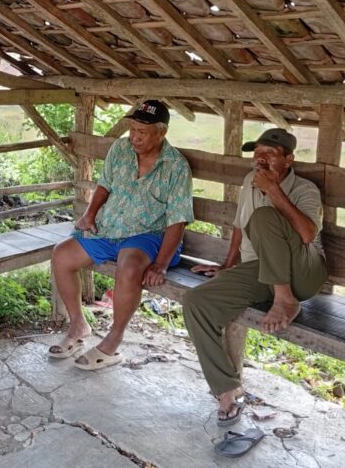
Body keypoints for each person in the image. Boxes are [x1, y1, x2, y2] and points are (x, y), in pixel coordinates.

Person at [183, 128, 327, 426]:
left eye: (269, 154)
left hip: (303, 274)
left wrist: (274, 191)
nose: (260, 158)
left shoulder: (305, 189)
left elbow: (307, 234)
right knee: (196, 301)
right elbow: (239, 225)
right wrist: (227, 264)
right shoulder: (250, 180)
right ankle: (227, 389)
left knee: (263, 217)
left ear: (288, 160)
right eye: (257, 152)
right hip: (262, 269)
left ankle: (285, 301)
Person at [49, 100, 194, 370]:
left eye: (142, 132)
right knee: (62, 255)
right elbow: (104, 185)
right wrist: (90, 214)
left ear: (161, 133)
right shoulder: (121, 149)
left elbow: (178, 220)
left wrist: (161, 264)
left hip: (148, 234)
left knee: (128, 269)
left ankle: (113, 341)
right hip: (111, 228)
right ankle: (78, 326)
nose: (134, 137)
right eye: (133, 129)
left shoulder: (176, 167)